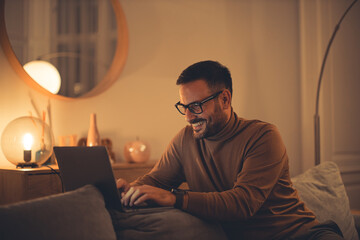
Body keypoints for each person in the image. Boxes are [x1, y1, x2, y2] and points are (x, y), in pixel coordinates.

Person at [116, 60, 343, 239]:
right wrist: (131, 190)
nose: (187, 117)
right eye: (183, 107)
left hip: (303, 235)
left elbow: (243, 203)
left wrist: (175, 198)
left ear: (224, 99)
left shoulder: (263, 136)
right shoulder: (185, 140)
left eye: (195, 106)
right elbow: (156, 180)